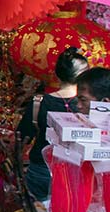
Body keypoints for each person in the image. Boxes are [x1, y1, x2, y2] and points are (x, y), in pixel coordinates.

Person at [16, 48, 88, 204]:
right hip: (76, 172)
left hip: (41, 167)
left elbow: (22, 135)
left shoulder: (39, 103)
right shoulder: (87, 106)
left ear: (56, 74)